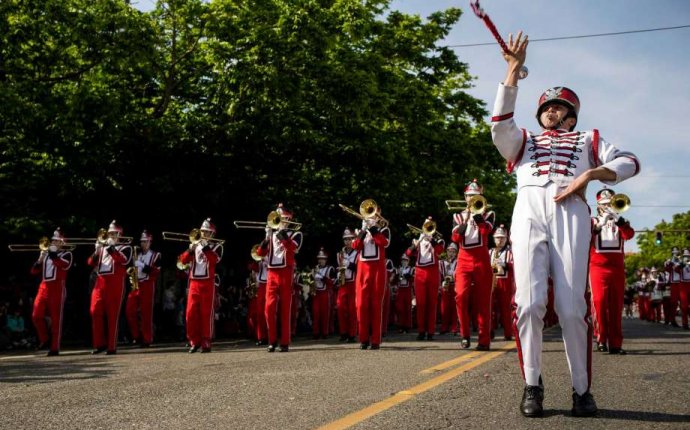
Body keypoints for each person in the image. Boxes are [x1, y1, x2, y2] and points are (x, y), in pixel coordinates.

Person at [490, 31, 640, 417]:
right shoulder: (523, 140)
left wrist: (590, 176)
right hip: (527, 211)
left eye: (559, 108)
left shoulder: (588, 139)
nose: (551, 112)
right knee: (527, 303)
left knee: (572, 307)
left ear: (571, 114)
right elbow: (498, 128)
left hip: (571, 210)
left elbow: (629, 161)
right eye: (547, 108)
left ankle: (581, 390)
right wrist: (511, 71)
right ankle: (532, 385)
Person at [589, 189, 635, 354]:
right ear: (598, 206)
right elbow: (585, 240)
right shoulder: (592, 221)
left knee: (616, 306)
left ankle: (616, 343)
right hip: (598, 268)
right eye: (604, 204)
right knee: (599, 302)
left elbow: (629, 235)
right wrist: (599, 226)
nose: (608, 206)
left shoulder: (621, 221)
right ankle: (601, 339)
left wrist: (619, 221)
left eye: (610, 203)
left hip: (617, 269)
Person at [451, 179, 495, 351]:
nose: (471, 199)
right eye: (469, 196)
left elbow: (485, 232)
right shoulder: (457, 216)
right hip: (463, 259)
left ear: (481, 196)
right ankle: (465, 334)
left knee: (484, 300)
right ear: (465, 197)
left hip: (482, 259)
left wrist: (477, 215)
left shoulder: (488, 214)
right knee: (460, 296)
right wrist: (467, 218)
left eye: (475, 196)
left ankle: (484, 340)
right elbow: (455, 238)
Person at [257, 204, 303, 352]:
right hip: (271, 273)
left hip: (285, 272)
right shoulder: (271, 234)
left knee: (285, 308)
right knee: (269, 308)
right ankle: (271, 341)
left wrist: (281, 233)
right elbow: (260, 253)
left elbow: (293, 249)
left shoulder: (296, 234)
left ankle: (284, 341)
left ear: (288, 220)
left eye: (282, 218)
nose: (279, 221)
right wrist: (266, 238)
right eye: (278, 219)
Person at [178, 218, 223, 353]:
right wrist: (190, 250)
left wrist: (205, 246)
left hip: (207, 282)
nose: (203, 234)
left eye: (207, 232)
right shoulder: (195, 245)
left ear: (212, 234)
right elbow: (183, 261)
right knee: (190, 314)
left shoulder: (217, 246)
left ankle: (206, 341)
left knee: (206, 313)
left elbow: (214, 260)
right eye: (202, 231)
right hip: (194, 282)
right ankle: (194, 341)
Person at [88, 220, 132, 355]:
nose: (111, 235)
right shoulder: (102, 248)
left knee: (113, 315)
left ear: (119, 235)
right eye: (110, 233)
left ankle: (111, 346)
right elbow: (90, 262)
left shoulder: (126, 247)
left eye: (114, 233)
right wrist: (96, 251)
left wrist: (112, 247)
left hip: (115, 284)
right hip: (100, 283)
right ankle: (99, 344)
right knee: (95, 311)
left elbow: (124, 260)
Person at [352, 208, 390, 350]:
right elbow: (356, 246)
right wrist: (362, 231)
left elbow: (384, 243)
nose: (371, 215)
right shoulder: (361, 230)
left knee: (375, 305)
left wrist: (373, 228)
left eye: (374, 212)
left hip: (377, 269)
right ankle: (363, 339)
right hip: (362, 269)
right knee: (361, 305)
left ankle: (375, 340)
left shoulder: (384, 229)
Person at [30, 228, 72, 356]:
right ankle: (45, 340)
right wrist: (40, 260)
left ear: (62, 243)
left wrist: (52, 254)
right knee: (36, 315)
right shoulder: (46, 254)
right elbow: (33, 272)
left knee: (56, 319)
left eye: (56, 241)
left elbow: (63, 265)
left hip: (57, 288)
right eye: (52, 240)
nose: (52, 242)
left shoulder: (67, 254)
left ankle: (54, 348)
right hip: (44, 287)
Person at [406, 217, 444, 341]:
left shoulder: (439, 240)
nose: (428, 228)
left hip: (432, 272)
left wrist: (431, 239)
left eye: (430, 226)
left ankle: (431, 331)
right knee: (421, 303)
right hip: (420, 273)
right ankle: (421, 331)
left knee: (432, 303)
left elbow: (440, 251)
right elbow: (407, 254)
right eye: (426, 225)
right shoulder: (419, 240)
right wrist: (415, 245)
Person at [125, 230, 162, 348]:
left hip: (148, 284)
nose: (143, 244)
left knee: (146, 314)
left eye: (146, 241)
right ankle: (137, 336)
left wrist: (142, 265)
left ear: (150, 242)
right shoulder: (138, 255)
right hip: (136, 284)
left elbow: (156, 272)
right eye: (142, 242)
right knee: (129, 311)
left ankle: (147, 339)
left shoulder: (156, 255)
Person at [489, 225, 514, 341]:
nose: (500, 240)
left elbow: (515, 265)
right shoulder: (490, 252)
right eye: (498, 238)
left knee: (505, 308)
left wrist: (503, 264)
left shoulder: (510, 252)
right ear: (494, 239)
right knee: (490, 308)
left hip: (505, 281)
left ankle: (508, 333)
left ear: (506, 239)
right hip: (492, 281)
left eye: (502, 238)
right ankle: (490, 331)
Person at [336, 228, 358, 342]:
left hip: (353, 283)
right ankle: (343, 332)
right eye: (345, 240)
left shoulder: (357, 253)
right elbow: (339, 267)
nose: (347, 242)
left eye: (350, 239)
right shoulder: (340, 253)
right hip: (343, 283)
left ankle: (352, 334)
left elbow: (359, 268)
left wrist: (348, 264)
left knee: (352, 309)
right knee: (340, 308)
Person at [312, 248, 335, 339]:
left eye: (322, 259)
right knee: (316, 313)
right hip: (316, 293)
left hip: (326, 293)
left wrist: (321, 277)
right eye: (319, 259)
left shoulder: (330, 269)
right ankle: (316, 333)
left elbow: (332, 282)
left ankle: (325, 332)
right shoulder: (314, 268)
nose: (320, 260)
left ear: (325, 260)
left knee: (325, 313)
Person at [440, 243, 459, 335]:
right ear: (446, 252)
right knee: (444, 307)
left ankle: (454, 327)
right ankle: (444, 327)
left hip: (454, 285)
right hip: (445, 285)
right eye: (449, 251)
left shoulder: (458, 262)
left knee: (454, 307)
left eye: (453, 252)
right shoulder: (442, 262)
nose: (451, 253)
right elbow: (439, 275)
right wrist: (441, 283)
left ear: (456, 253)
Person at [395, 254, 414, 334]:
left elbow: (412, 279)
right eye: (403, 260)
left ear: (408, 261)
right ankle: (401, 325)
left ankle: (407, 326)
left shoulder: (411, 269)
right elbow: (394, 281)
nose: (404, 262)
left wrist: (407, 276)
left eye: (405, 260)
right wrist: (397, 276)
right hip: (400, 290)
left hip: (407, 290)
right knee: (400, 308)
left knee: (407, 308)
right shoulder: (398, 269)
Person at [679, 249, 690, 329]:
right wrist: (682, 264)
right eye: (685, 256)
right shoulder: (680, 263)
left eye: (688, 256)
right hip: (683, 285)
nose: (687, 258)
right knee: (684, 306)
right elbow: (676, 270)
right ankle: (685, 323)